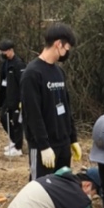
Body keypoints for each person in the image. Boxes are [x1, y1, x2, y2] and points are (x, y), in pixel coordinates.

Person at [20, 23, 81, 181]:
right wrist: (44, 146)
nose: (67, 52)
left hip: (63, 143)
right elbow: (33, 114)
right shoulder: (32, 74)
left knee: (61, 187)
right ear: (58, 44)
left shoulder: (59, 72)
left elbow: (66, 107)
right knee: (40, 188)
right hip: (44, 147)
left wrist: (73, 138)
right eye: (67, 48)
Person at [0, 40, 25, 156]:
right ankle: (14, 140)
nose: (2, 54)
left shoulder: (18, 64)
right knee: (3, 118)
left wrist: (22, 100)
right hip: (7, 98)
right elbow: (3, 81)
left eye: (4, 52)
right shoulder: (5, 64)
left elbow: (23, 84)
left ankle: (18, 148)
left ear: (10, 50)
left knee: (17, 122)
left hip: (17, 99)